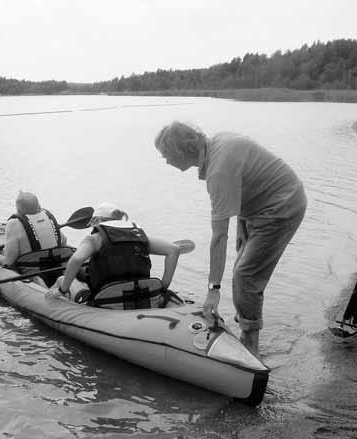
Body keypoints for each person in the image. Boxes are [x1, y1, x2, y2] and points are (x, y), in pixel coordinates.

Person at [154, 121, 307, 355]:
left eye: (166, 155)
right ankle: (246, 322)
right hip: (256, 207)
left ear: (182, 151)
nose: (166, 161)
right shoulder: (217, 146)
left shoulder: (218, 170)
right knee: (242, 270)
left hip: (281, 206)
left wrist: (213, 290)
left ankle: (251, 345)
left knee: (245, 276)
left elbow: (218, 237)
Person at [45, 202, 180, 305]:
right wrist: (163, 287)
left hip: (108, 301)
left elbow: (76, 260)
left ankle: (51, 295)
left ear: (97, 221)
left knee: (62, 279)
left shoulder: (94, 239)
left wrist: (63, 289)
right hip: (144, 294)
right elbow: (174, 250)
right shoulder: (140, 236)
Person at [0, 191, 71, 286]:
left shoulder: (14, 224)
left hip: (35, 273)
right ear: (39, 206)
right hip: (58, 268)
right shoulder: (47, 218)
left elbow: (8, 262)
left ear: (18, 210)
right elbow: (64, 241)